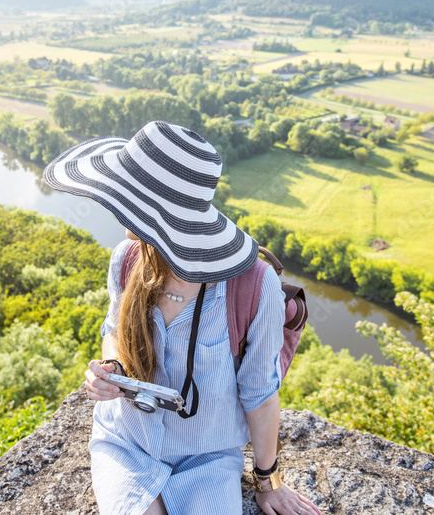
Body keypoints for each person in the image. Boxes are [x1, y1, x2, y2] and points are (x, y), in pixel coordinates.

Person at [43, 121, 323, 515]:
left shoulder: (253, 287)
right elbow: (113, 332)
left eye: (128, 198)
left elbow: (260, 394)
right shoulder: (127, 259)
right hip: (126, 440)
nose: (117, 208)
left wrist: (268, 480)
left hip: (206, 457)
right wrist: (112, 369)